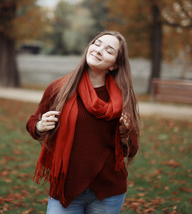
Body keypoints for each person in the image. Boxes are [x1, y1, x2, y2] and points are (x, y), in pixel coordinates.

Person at [26, 30, 140, 214]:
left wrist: (124, 133)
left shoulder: (123, 97)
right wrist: (40, 126)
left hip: (108, 191)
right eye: (97, 43)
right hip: (65, 188)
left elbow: (132, 149)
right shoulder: (59, 87)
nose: (99, 50)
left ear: (114, 65)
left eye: (109, 50)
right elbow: (32, 123)